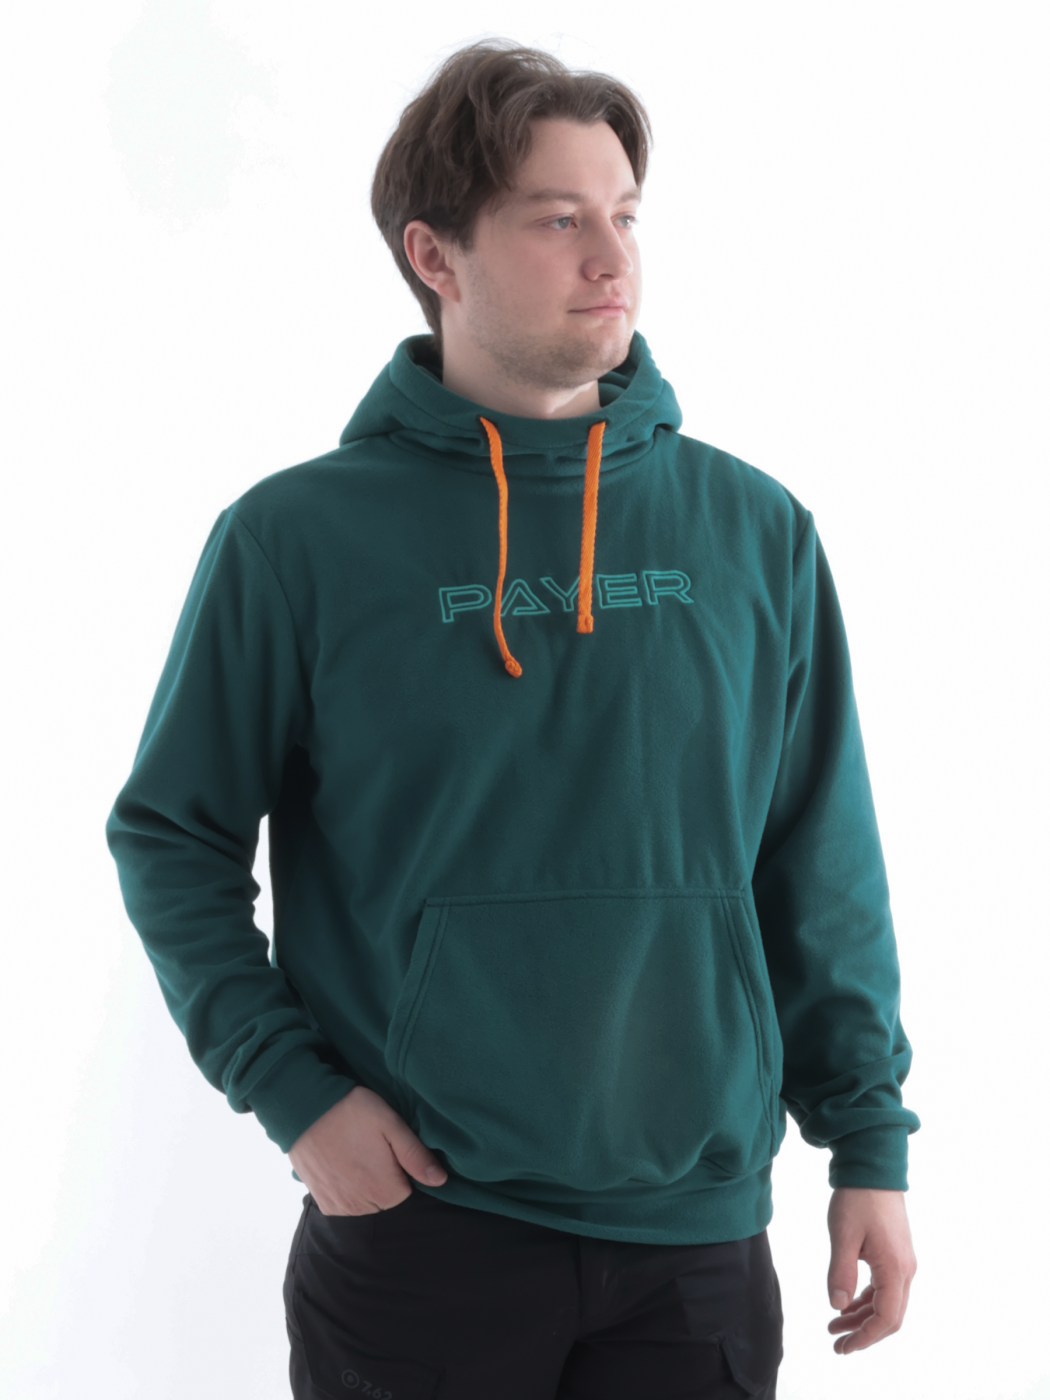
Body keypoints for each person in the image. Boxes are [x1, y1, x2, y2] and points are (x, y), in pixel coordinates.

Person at [106, 39, 920, 1400]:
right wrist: (293, 1095)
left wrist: (868, 1145)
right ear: (435, 255)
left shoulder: (752, 530)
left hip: (696, 1234)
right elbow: (170, 838)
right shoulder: (296, 541)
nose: (610, 258)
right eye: (556, 220)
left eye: (624, 216)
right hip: (421, 1223)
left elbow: (818, 856)